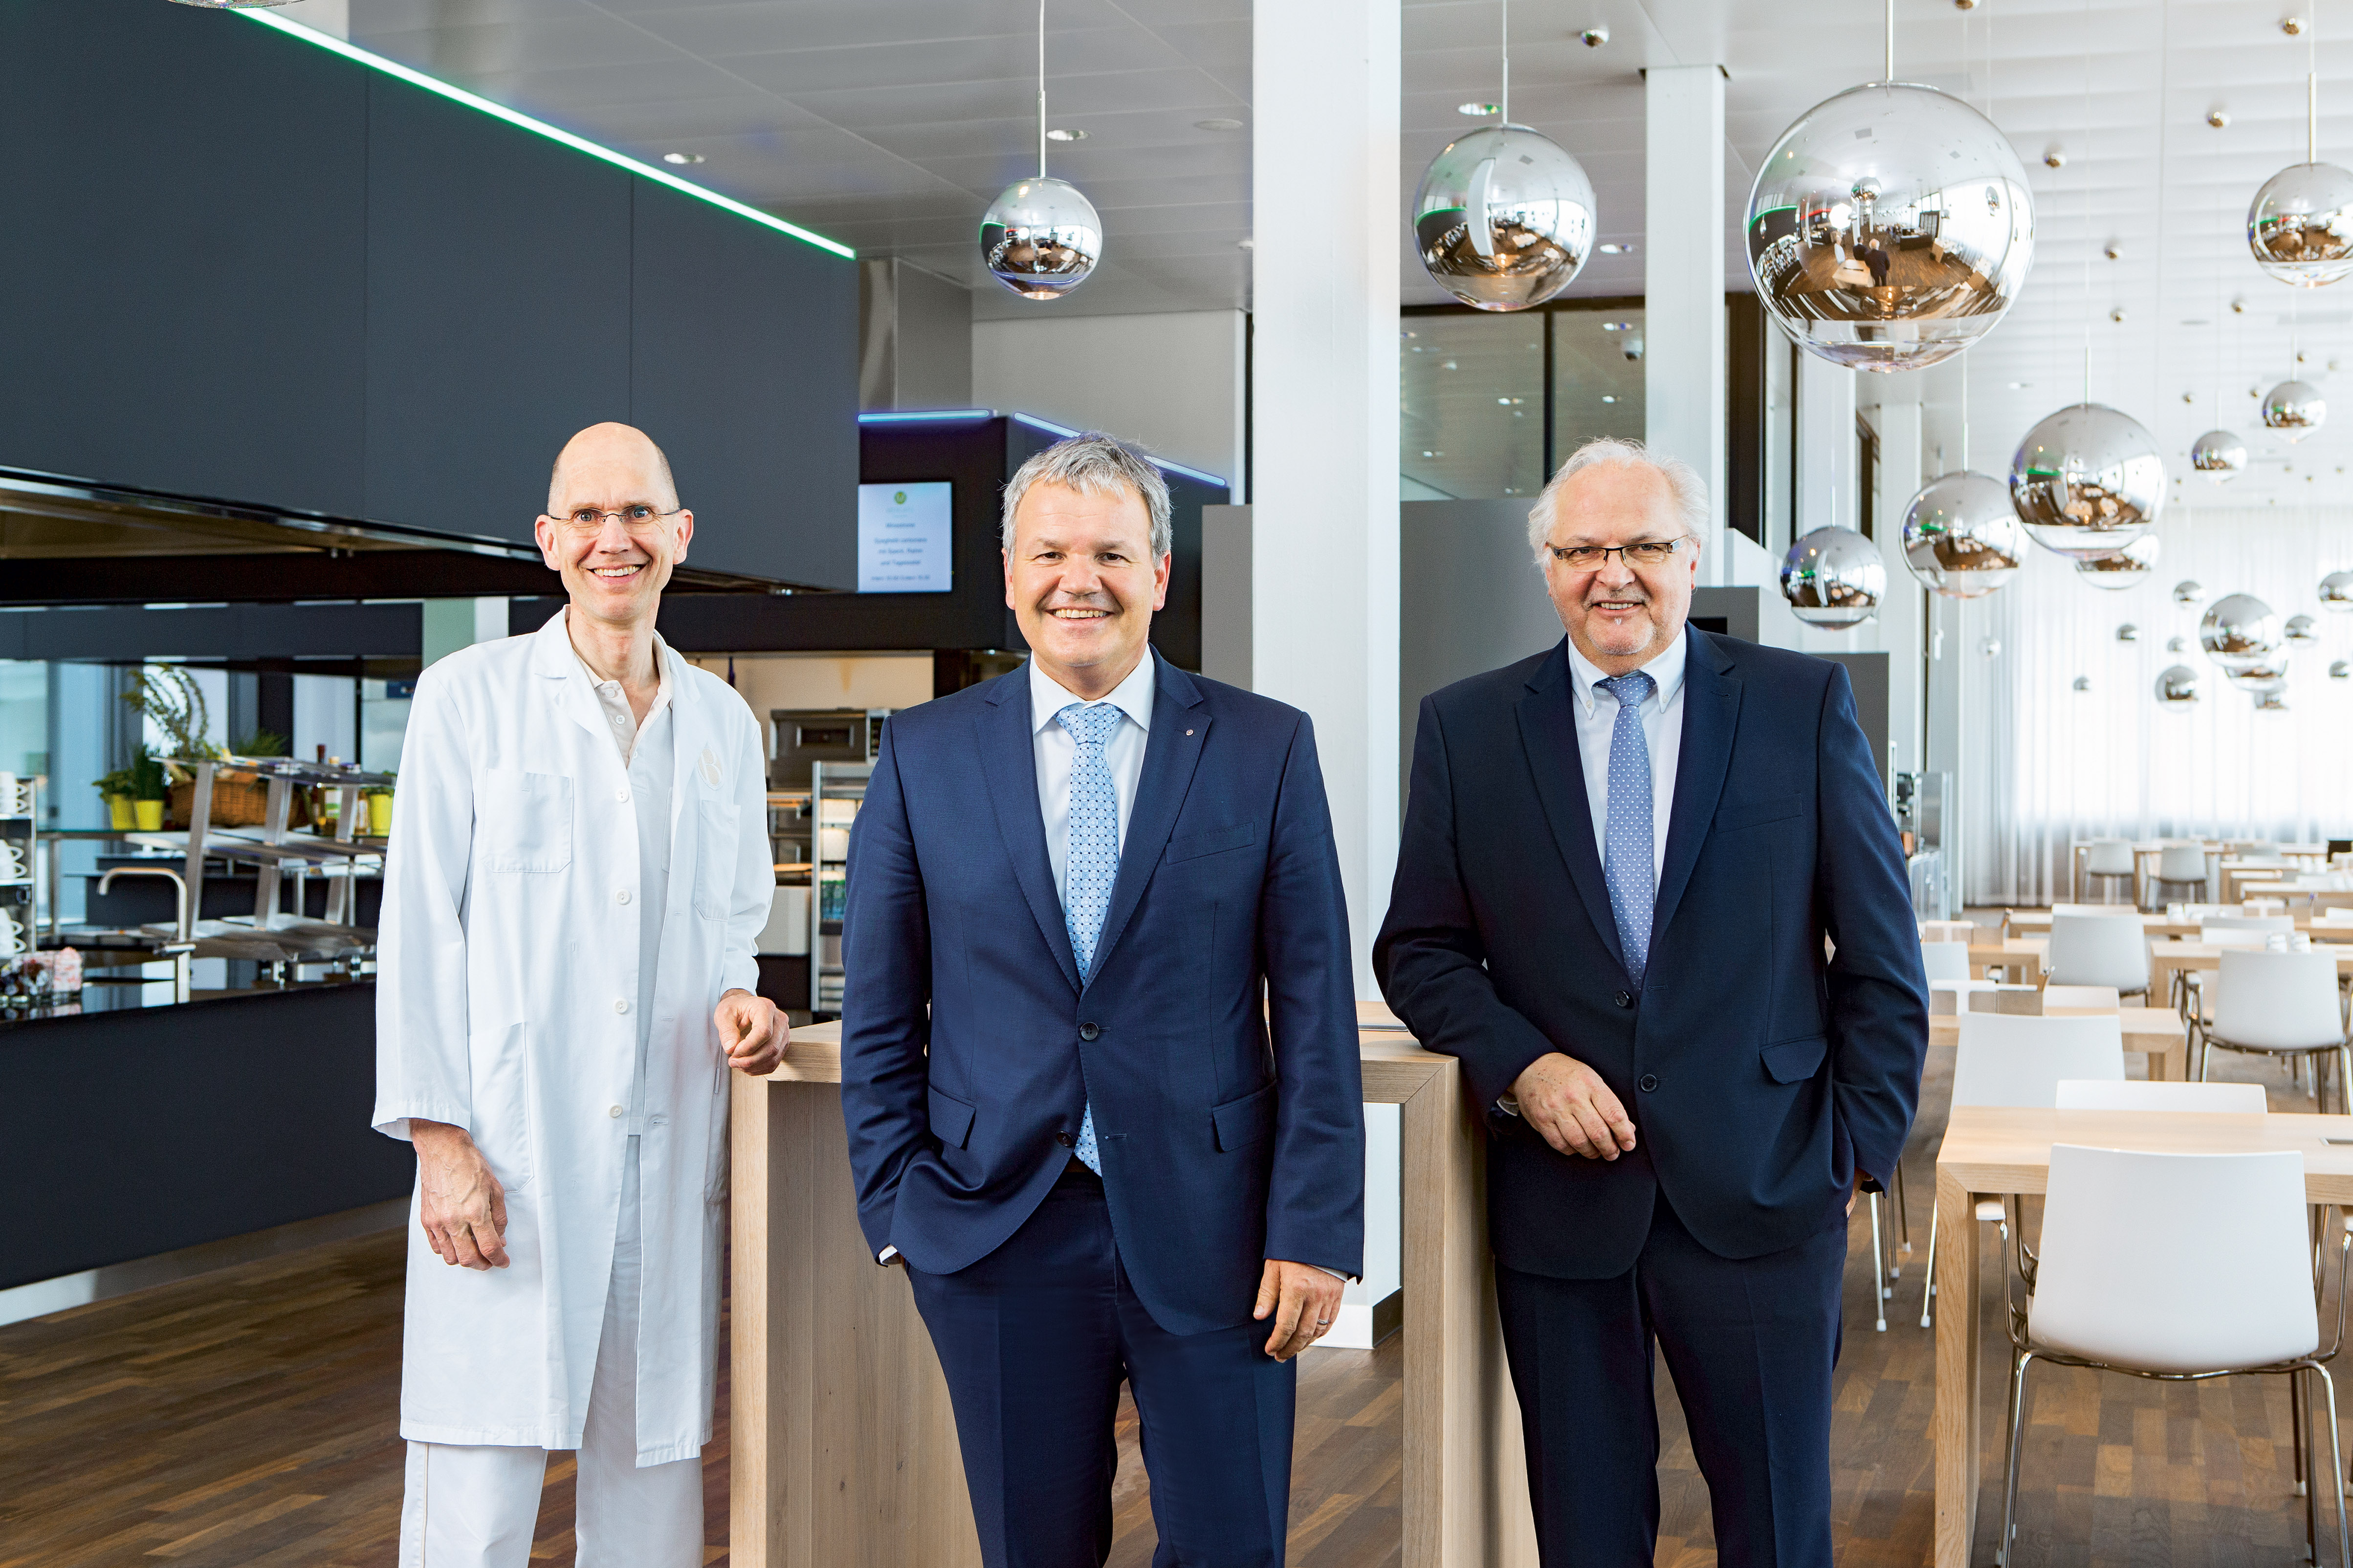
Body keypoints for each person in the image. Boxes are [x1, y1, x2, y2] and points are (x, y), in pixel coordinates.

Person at [1374, 437, 1927, 1568]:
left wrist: (1855, 1154)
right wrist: (1522, 1063)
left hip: (1767, 1187)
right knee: (1583, 1532)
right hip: (1561, 1206)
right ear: (1546, 567)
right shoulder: (1467, 727)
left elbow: (1881, 958)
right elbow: (1419, 948)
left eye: (1642, 545)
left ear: (1690, 559)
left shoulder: (1798, 705)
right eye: (1582, 548)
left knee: (1777, 1531)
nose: (1612, 572)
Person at [839, 432, 1365, 1568]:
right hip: (994, 1235)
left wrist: (1315, 1228)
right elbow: (876, 1006)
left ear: (1159, 574)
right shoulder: (925, 753)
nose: (1079, 580)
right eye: (1050, 553)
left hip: (1222, 1237)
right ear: (1010, 572)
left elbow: (1316, 1003)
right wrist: (897, 1211)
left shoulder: (1264, 746)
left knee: (1231, 1549)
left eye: (1112, 553)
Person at [373, 422, 785, 1568]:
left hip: (665, 1156)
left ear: (680, 534)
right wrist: (439, 1143)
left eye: (639, 513)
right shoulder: (468, 699)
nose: (617, 538)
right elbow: (419, 932)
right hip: (509, 1155)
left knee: (652, 1492)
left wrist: (743, 998)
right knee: (474, 1499)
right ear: (549, 541)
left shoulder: (723, 723)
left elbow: (735, 921)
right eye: (589, 516)